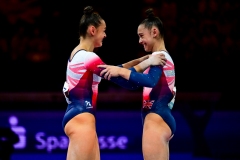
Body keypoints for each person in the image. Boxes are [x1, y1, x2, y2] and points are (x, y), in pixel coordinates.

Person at [61, 6, 167, 160]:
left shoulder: (78, 54)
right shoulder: (87, 57)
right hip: (81, 121)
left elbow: (115, 70)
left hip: (79, 118)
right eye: (103, 30)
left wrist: (139, 61)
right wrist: (147, 63)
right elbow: (123, 80)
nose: (105, 35)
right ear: (92, 30)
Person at [98, 8, 176, 160]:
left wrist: (120, 72)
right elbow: (132, 84)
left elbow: (150, 81)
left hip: (156, 119)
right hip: (158, 117)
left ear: (154, 32)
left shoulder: (160, 57)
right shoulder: (154, 58)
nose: (139, 41)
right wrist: (115, 71)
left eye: (141, 36)